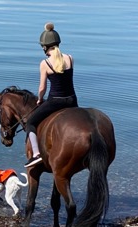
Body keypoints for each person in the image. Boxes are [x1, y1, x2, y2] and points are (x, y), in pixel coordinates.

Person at [24, 22, 79, 168]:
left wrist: (40, 99)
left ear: (44, 47)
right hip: (72, 100)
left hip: (56, 102)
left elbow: (42, 88)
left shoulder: (45, 63)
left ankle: (36, 155)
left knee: (30, 123)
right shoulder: (70, 58)